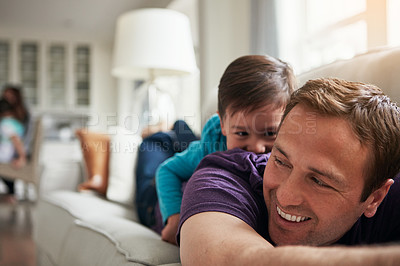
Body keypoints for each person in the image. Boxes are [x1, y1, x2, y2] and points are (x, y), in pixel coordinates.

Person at [178, 78, 400, 265]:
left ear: (375, 198)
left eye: (319, 181)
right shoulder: (223, 176)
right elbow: (232, 258)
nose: (284, 197)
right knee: (163, 143)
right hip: (158, 198)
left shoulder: (384, 184)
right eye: (281, 162)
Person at [156, 55, 297, 244]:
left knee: (182, 131)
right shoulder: (208, 149)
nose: (256, 147)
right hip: (156, 193)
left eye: (270, 132)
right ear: (223, 123)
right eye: (242, 133)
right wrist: (173, 215)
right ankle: (158, 133)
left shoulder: (291, 152)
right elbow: (166, 170)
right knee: (157, 144)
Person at [0, 84, 30, 200]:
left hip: (8, 153)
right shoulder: (14, 122)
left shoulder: (7, 124)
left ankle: (11, 193)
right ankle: (11, 193)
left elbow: (17, 141)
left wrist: (22, 156)